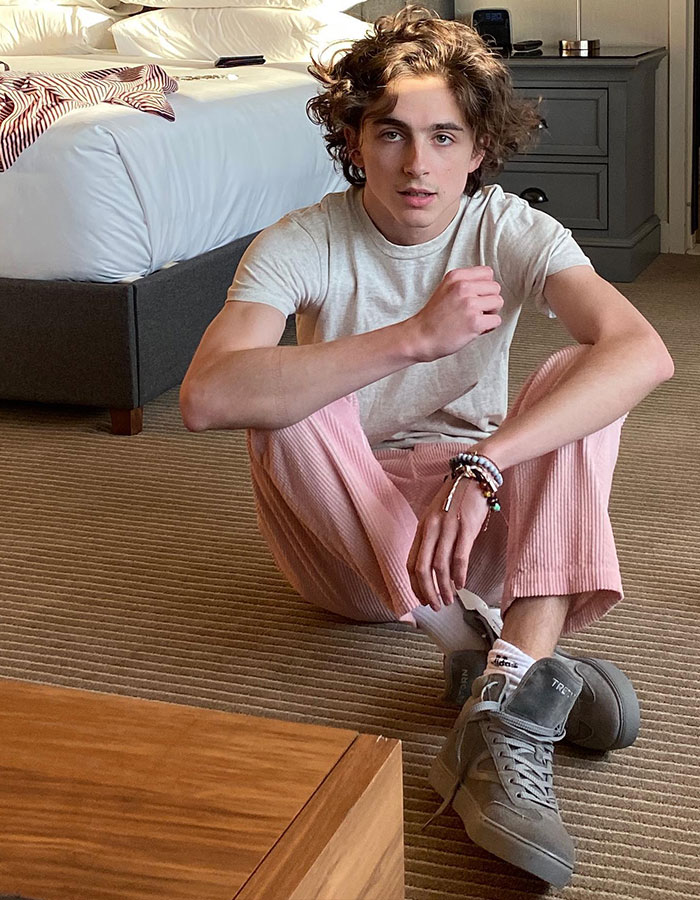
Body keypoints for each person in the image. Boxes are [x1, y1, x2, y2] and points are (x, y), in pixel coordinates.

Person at [180, 6, 673, 886]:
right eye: (392, 134)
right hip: (345, 546)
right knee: (284, 393)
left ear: (478, 148)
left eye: (445, 136)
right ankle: (520, 663)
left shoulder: (507, 228)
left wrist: (486, 467)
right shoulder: (302, 240)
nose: (419, 164)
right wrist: (412, 336)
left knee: (581, 375)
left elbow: (645, 350)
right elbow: (207, 396)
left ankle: (501, 695)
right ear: (355, 142)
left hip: (469, 531)